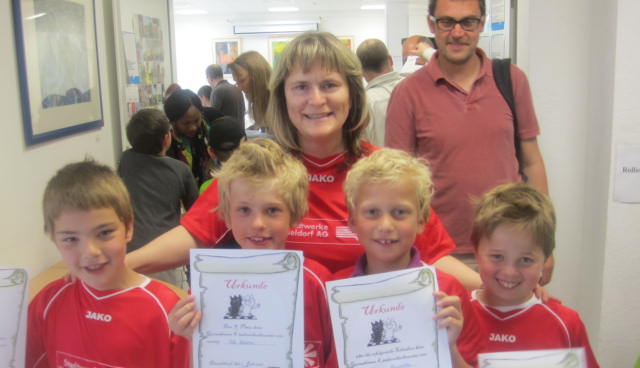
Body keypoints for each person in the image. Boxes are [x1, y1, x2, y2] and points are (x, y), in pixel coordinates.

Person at [126, 31, 481, 291]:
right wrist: (118, 267)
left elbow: (435, 256)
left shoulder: (383, 174)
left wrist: (495, 292)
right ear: (283, 96)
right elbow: (196, 233)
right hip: (281, 347)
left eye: (329, 85)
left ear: (352, 93)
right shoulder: (260, 169)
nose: (316, 100)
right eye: (301, 87)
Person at [168, 139, 361, 368]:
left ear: (294, 214)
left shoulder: (316, 283)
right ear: (226, 214)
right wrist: (188, 338)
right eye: (244, 210)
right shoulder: (208, 290)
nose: (258, 223)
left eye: (272, 210)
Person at [26, 161, 191, 368]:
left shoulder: (166, 309)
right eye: (70, 239)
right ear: (53, 238)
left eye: (104, 233)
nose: (90, 251)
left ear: (128, 227)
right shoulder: (50, 302)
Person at [334, 148, 481, 368]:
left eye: (399, 212)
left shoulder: (446, 292)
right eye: (372, 212)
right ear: (352, 220)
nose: (386, 225)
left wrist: (449, 346)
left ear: (422, 220)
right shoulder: (336, 291)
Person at [451, 182, 609, 368]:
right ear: (476, 250)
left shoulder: (565, 322)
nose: (509, 272)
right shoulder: (455, 318)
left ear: (546, 260)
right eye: (497, 257)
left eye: (525, 260)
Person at [386, 0, 549, 268]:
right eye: (447, 22)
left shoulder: (511, 80)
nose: (458, 33)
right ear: (431, 24)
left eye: (468, 22)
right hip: (439, 252)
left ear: (482, 23)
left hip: (511, 246)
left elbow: (532, 163)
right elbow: (397, 181)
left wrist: (543, 242)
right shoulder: (408, 93)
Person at [118, 108, 198, 288]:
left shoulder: (125, 160)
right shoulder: (180, 170)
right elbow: (195, 211)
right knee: (168, 297)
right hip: (164, 252)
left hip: (128, 251)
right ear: (166, 138)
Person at [356, 38, 404, 147]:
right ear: (390, 59)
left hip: (381, 157)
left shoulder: (362, 103)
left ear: (360, 70)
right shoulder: (414, 88)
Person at [164, 88, 212, 187]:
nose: (193, 127)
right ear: (173, 122)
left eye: (196, 120)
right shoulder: (167, 143)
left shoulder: (207, 131)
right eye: (186, 123)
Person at [199, 115, 247, 193]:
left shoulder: (261, 179)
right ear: (212, 151)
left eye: (241, 147)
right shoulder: (208, 189)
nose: (235, 154)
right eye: (228, 149)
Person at [228, 51, 272, 131]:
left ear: (258, 76)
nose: (240, 88)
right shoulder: (258, 103)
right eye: (237, 83)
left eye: (242, 81)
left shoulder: (279, 99)